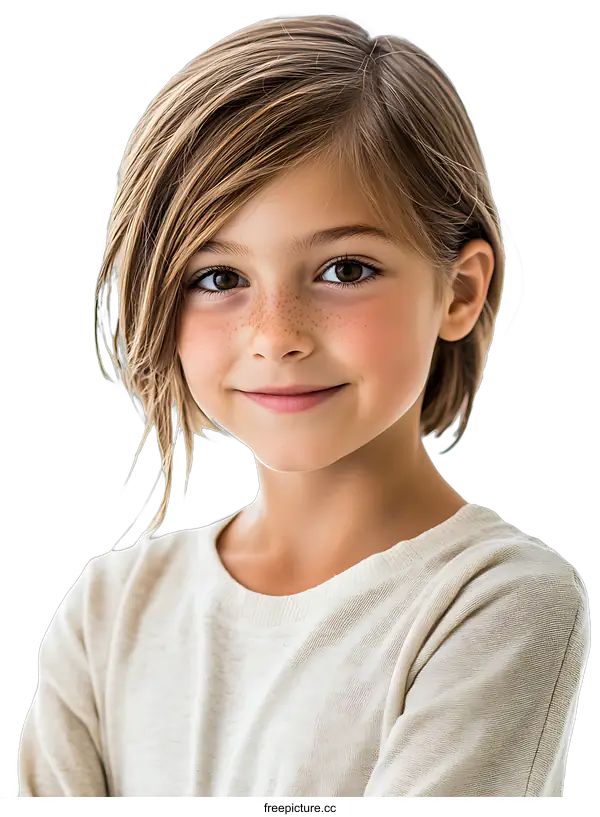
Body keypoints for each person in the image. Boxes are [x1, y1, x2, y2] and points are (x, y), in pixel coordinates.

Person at [18, 13, 591, 796]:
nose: (275, 337)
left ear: (460, 291)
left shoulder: (495, 599)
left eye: (346, 269)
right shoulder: (108, 612)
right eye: (219, 278)